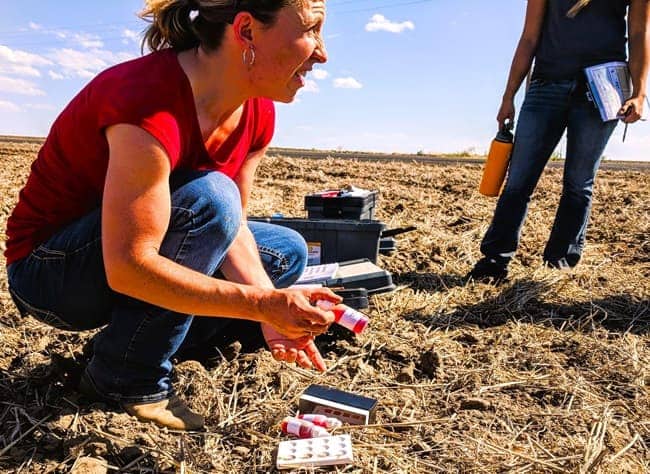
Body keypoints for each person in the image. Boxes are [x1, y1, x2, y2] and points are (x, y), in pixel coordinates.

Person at [4, 0, 341, 431]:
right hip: (51, 273)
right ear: (246, 31)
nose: (321, 53)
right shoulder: (147, 99)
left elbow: (231, 224)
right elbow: (128, 266)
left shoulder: (256, 110)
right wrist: (260, 302)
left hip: (131, 250)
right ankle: (126, 376)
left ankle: (130, 340)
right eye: (312, 29)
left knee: (283, 253)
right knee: (210, 200)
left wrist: (268, 315)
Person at [468, 0, 649, 282]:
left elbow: (639, 33)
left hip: (602, 90)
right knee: (519, 180)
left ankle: (559, 264)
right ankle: (493, 261)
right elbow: (529, 37)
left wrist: (639, 93)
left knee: (579, 183)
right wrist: (508, 96)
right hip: (546, 87)